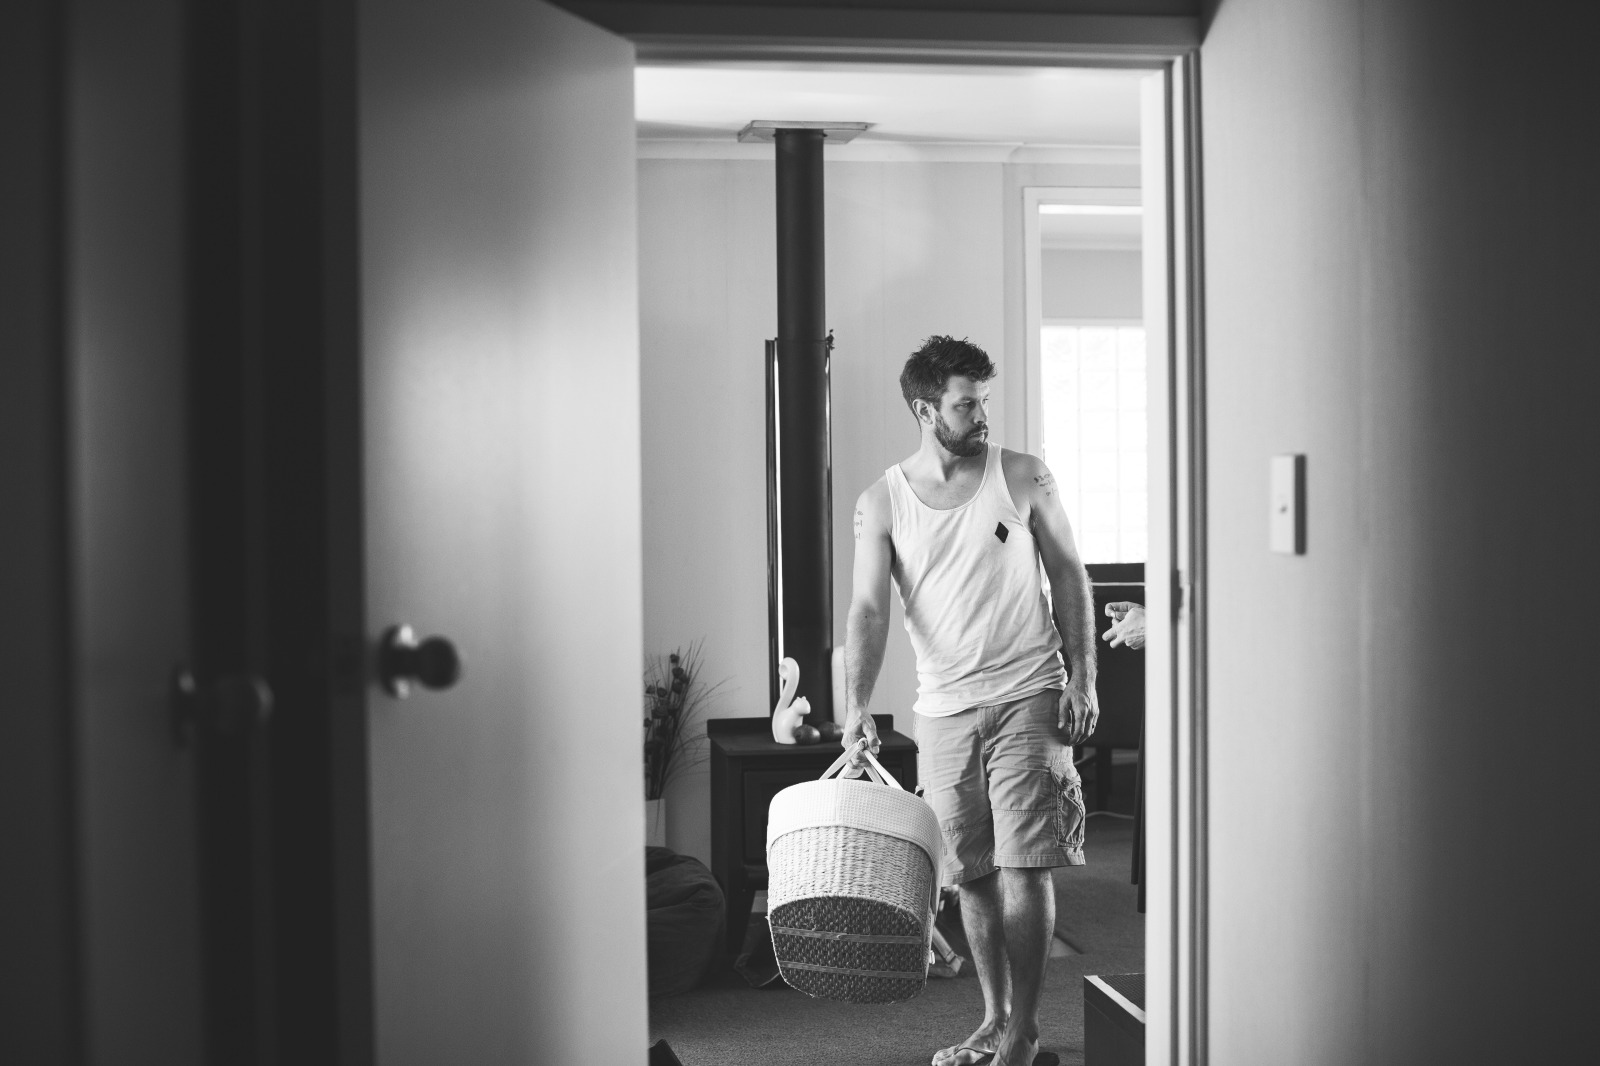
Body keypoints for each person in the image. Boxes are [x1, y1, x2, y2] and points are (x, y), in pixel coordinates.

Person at [842, 335, 1099, 1066]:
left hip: (1028, 694)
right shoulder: (882, 502)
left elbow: (1069, 574)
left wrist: (1083, 677)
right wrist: (856, 707)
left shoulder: (1023, 476)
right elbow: (868, 610)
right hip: (943, 709)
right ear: (926, 411)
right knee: (973, 876)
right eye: (966, 404)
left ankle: (1024, 1032)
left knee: (1025, 866)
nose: (982, 415)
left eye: (984, 401)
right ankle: (994, 1019)